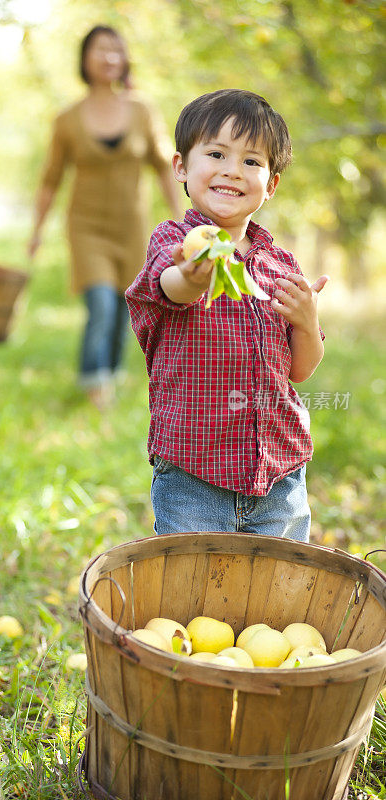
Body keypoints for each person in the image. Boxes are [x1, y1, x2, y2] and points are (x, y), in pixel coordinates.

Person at [125, 89, 329, 542]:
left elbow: (301, 368)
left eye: (252, 162)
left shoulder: (281, 265)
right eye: (216, 153)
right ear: (181, 166)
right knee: (195, 593)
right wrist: (196, 275)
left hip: (279, 473)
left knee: (277, 596)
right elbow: (171, 287)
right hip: (195, 474)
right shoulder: (175, 241)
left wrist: (306, 321)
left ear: (271, 184)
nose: (233, 170)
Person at [28, 25, 182, 409]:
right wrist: (36, 231)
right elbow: (50, 181)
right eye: (101, 50)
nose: (110, 57)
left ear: (125, 59)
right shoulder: (67, 119)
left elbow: (165, 167)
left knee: (124, 311)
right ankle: (96, 387)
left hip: (130, 227)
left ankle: (107, 374)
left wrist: (184, 219)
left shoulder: (142, 110)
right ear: (85, 58)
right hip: (86, 227)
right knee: (100, 305)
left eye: (117, 50)